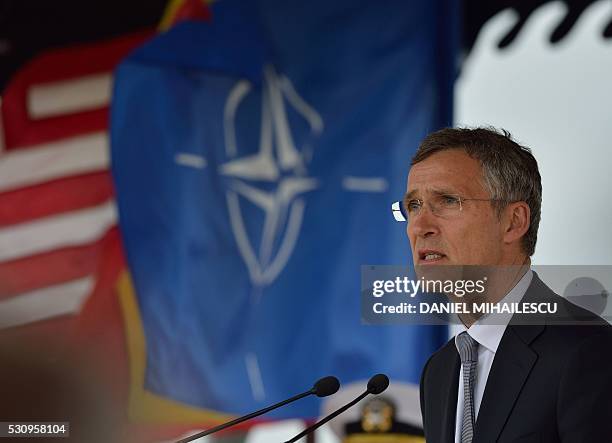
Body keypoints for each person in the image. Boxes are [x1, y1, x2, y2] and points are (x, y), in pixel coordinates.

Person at [408, 127, 612, 443]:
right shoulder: (438, 372)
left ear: (513, 221)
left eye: (447, 200)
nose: (419, 226)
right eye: (413, 205)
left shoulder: (588, 352)